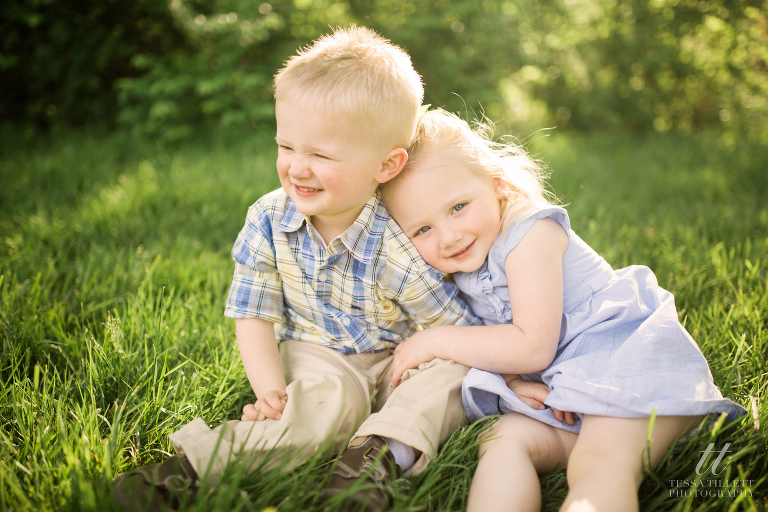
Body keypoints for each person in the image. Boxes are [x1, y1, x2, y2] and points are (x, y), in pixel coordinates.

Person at [113, 28, 483, 512]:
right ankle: (191, 470)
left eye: (320, 155)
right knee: (327, 405)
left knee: (449, 376)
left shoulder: (400, 237)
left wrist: (447, 363)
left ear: (387, 165)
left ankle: (376, 462)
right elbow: (253, 311)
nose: (297, 168)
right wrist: (269, 391)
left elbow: (449, 325)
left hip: (400, 355)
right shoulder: (269, 220)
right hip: (319, 353)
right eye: (286, 147)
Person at [381, 108, 745, 512]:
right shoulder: (462, 267)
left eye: (458, 207)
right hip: (571, 397)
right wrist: (515, 382)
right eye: (422, 230)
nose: (449, 236)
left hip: (628, 374)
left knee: (597, 465)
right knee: (501, 440)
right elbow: (504, 345)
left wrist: (436, 341)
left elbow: (533, 345)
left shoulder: (530, 234)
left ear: (497, 185)